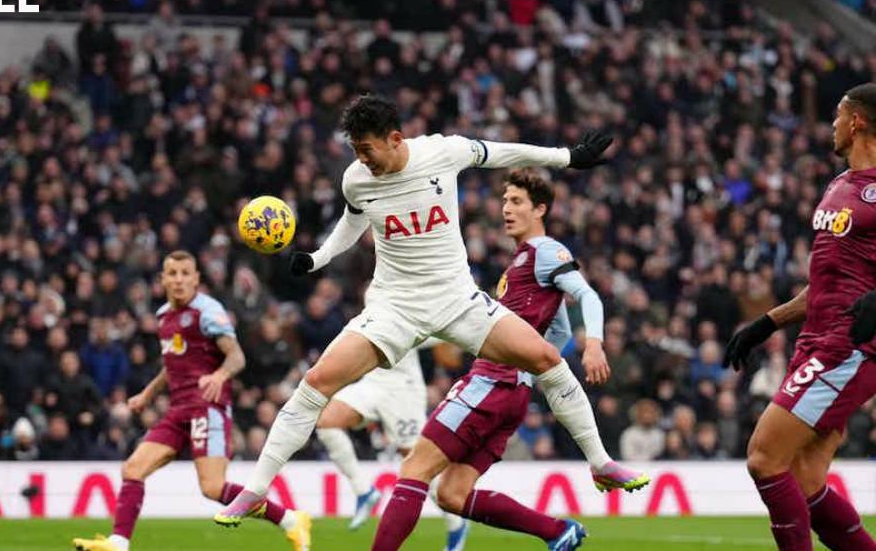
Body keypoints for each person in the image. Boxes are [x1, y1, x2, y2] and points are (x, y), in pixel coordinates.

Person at [216, 94, 645, 525]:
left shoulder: (443, 151)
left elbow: (501, 153)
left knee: (546, 359)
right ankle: (255, 491)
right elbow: (353, 219)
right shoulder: (356, 179)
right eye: (354, 151)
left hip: (456, 298)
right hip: (393, 306)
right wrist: (317, 259)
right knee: (317, 381)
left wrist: (567, 157)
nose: (360, 160)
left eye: (366, 149)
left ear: (395, 139)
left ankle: (600, 463)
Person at [370, 169, 626, 550]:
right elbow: (553, 333)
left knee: (413, 470)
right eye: (505, 200)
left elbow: (588, 296)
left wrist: (594, 343)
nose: (507, 208)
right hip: (511, 394)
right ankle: (558, 532)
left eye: (517, 201)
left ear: (540, 209)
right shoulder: (523, 262)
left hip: (491, 383)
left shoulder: (546, 252)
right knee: (452, 495)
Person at [722, 83, 876, 551]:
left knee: (764, 457)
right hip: (816, 339)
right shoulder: (837, 187)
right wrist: (766, 323)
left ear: (857, 123)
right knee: (804, 478)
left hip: (849, 345)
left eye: (836, 115)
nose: (830, 125)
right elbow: (827, 282)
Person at [72, 251, 311, 551]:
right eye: (172, 273)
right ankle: (118, 543)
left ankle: (289, 519)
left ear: (197, 278)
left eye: (186, 273)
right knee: (132, 469)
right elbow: (171, 364)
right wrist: (147, 394)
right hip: (178, 410)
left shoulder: (208, 311)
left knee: (212, 488)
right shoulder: (163, 317)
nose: (179, 279)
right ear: (162, 280)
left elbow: (236, 356)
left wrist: (219, 376)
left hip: (207, 409)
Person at [314, 344, 471, 551]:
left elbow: (435, 328)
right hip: (373, 382)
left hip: (403, 391)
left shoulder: (416, 314)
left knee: (418, 464)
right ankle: (364, 491)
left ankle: (456, 524)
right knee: (326, 422)